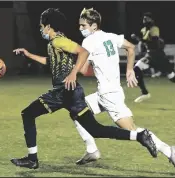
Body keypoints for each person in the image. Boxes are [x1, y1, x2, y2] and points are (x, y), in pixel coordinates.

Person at [10, 8, 157, 170]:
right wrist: (28, 55)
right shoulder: (55, 43)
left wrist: (73, 73)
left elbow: (83, 52)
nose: (40, 29)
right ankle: (140, 136)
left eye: (41, 26)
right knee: (95, 130)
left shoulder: (58, 41)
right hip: (70, 93)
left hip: (63, 92)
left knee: (27, 113)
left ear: (48, 26)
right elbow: (50, 62)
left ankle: (32, 159)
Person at [75, 8, 175, 176]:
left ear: (94, 26)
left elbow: (83, 70)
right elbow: (131, 48)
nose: (80, 28)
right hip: (109, 92)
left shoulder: (89, 42)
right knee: (77, 110)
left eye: (83, 25)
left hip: (109, 96)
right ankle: (91, 150)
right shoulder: (111, 36)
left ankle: (169, 151)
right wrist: (129, 70)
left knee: (133, 130)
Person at [131, 12, 175, 103]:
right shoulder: (143, 30)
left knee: (172, 76)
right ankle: (145, 93)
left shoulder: (154, 29)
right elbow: (144, 43)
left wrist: (138, 39)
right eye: (144, 19)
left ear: (152, 20)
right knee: (136, 69)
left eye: (147, 18)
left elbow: (153, 41)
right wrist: (141, 46)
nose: (145, 20)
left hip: (159, 56)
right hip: (150, 55)